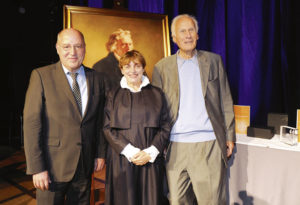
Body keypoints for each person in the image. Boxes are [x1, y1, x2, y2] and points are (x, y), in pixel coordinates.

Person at [152, 14, 236, 205]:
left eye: (191, 30)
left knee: (211, 201)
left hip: (209, 143)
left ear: (197, 35)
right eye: (182, 31)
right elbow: (156, 109)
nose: (188, 35)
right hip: (175, 145)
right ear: (174, 38)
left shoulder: (214, 61)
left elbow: (225, 100)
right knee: (177, 200)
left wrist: (230, 135)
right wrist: (158, 140)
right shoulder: (161, 67)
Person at [23, 28, 106, 205]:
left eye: (78, 46)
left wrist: (100, 153)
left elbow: (99, 121)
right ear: (57, 48)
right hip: (52, 168)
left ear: (84, 48)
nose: (73, 52)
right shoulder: (41, 76)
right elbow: (32, 125)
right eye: (66, 46)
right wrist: (37, 168)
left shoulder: (97, 78)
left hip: (84, 165)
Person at [103, 50, 170, 205]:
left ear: (143, 68)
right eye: (127, 66)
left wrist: (150, 152)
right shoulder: (113, 95)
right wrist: (130, 152)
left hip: (151, 161)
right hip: (122, 161)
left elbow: (165, 126)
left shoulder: (157, 94)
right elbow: (107, 128)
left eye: (137, 65)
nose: (132, 70)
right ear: (121, 70)